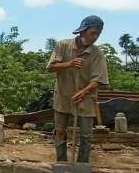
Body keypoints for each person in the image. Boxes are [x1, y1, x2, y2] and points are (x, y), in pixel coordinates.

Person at [46, 15, 109, 163]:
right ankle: (61, 163)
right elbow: (51, 67)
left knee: (86, 136)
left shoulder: (97, 54)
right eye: (93, 33)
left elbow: (98, 79)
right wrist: (69, 64)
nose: (95, 37)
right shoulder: (63, 46)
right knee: (60, 132)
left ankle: (82, 166)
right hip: (63, 97)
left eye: (98, 34)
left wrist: (85, 91)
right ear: (82, 31)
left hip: (85, 100)